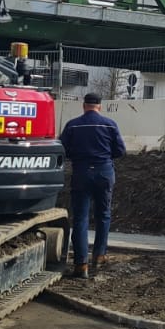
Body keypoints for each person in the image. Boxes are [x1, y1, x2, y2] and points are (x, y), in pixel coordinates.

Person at [58, 92, 126, 279]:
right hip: (104, 172)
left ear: (84, 105)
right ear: (100, 106)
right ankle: (99, 256)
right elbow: (120, 150)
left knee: (80, 218)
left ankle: (81, 264)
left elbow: (62, 149)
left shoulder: (72, 125)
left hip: (81, 173)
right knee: (103, 215)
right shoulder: (109, 124)